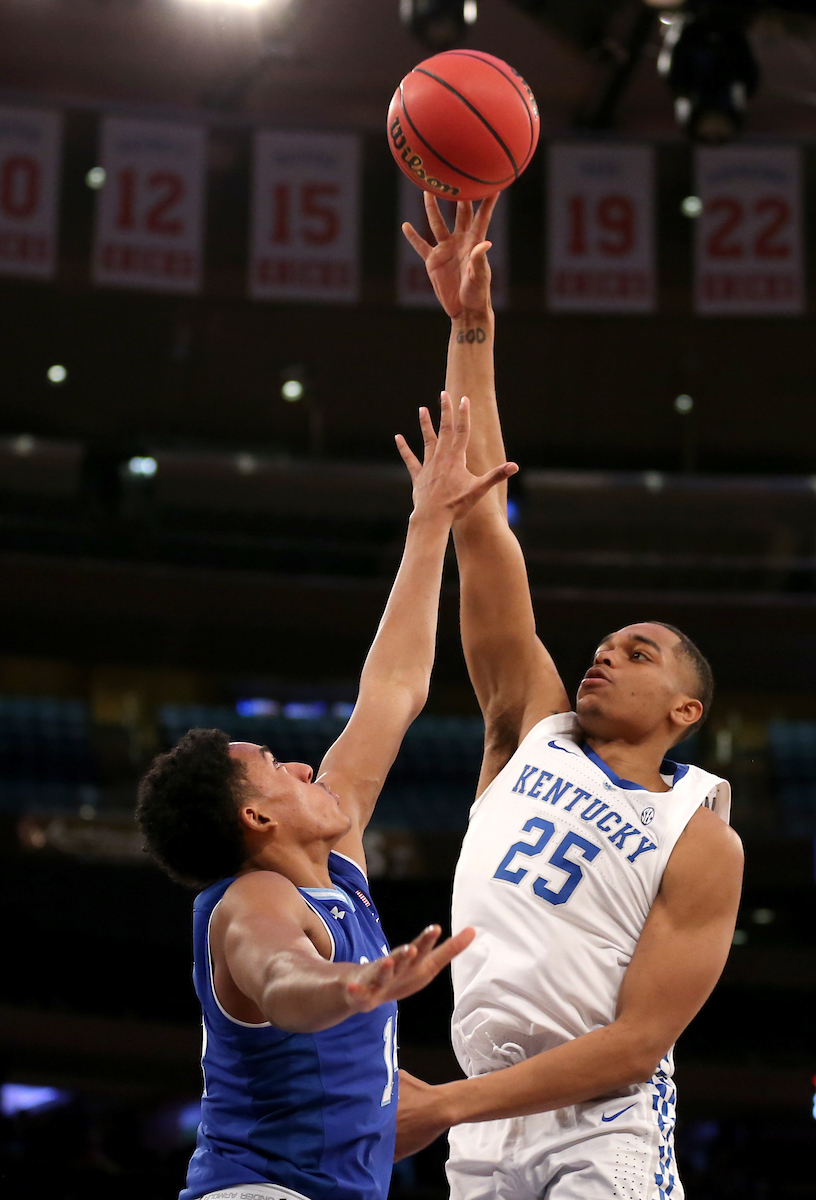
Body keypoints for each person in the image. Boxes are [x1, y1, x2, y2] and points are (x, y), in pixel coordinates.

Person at [396, 195, 744, 1200]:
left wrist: (441, 1105)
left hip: (605, 1127)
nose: (603, 659)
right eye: (601, 646)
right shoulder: (528, 730)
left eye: (638, 654)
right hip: (486, 1118)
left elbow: (636, 1044)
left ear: (687, 709)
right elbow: (480, 523)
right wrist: (471, 326)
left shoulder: (700, 833)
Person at [136, 394, 517, 1200]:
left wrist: (428, 526)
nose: (307, 768)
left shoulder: (330, 856)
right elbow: (280, 980)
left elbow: (394, 689)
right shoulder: (252, 901)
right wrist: (351, 987)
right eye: (277, 765)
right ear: (257, 816)